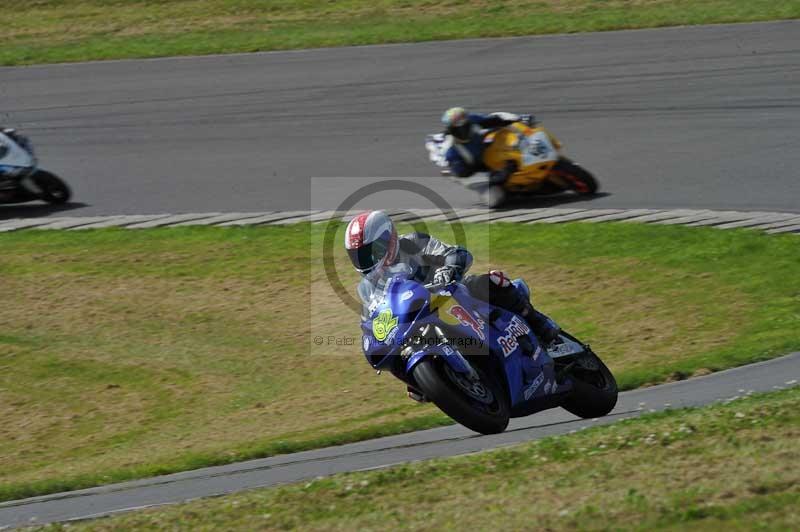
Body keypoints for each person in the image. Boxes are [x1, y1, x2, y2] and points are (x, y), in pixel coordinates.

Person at [345, 210, 559, 400]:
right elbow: (372, 315)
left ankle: (541, 325)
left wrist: (448, 268)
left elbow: (456, 253)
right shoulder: (367, 287)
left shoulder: (413, 243)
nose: (366, 260)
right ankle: (426, 380)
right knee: (394, 350)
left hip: (449, 293)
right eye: (358, 256)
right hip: (416, 320)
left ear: (388, 240)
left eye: (371, 251)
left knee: (492, 282)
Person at [440, 107, 532, 184]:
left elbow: (493, 120)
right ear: (451, 131)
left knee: (501, 129)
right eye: (459, 129)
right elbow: (464, 175)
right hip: (474, 169)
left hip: (484, 151)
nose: (463, 131)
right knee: (495, 195)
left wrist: (517, 120)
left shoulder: (472, 120)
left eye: (465, 126)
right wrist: (501, 173)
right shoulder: (452, 152)